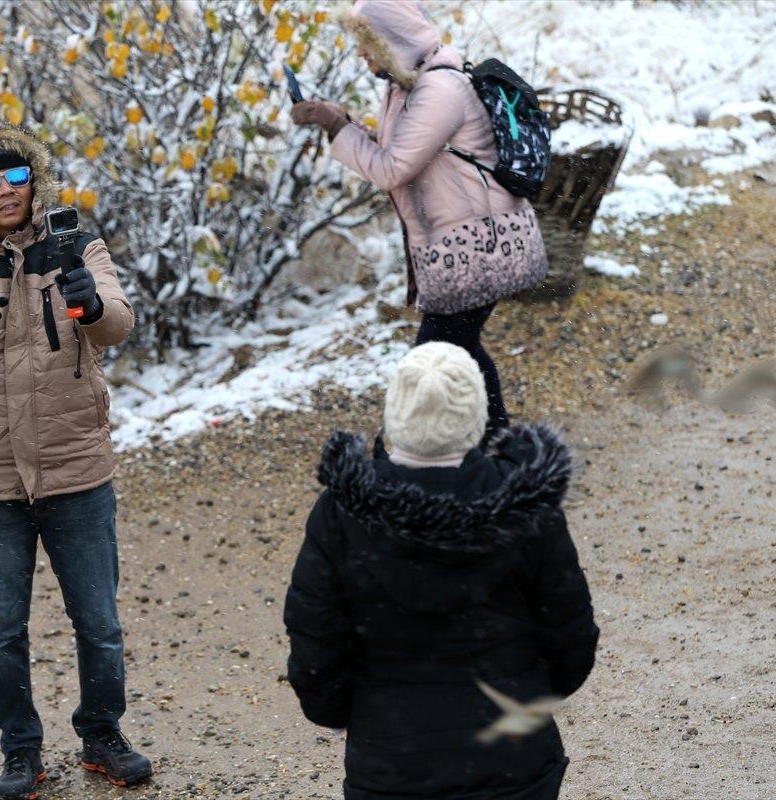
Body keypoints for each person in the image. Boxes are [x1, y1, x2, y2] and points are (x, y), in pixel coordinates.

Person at [0, 121, 152, 798]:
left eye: (17, 175)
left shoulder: (75, 245)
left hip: (76, 466)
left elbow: (119, 325)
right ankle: (20, 752)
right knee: (3, 630)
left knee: (98, 622)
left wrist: (91, 303)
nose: (6, 189)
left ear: (33, 181)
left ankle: (102, 735)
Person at [284, 342, 598, 799]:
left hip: (390, 767)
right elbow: (571, 637)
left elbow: (316, 646)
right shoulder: (527, 508)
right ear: (476, 415)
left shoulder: (342, 513)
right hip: (514, 761)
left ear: (396, 414)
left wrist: (356, 714)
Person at [291, 0, 549, 441]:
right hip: (462, 247)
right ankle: (496, 440)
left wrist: (336, 126)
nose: (361, 53)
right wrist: (343, 122)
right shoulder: (409, 84)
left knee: (433, 354)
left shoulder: (438, 89)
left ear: (392, 41)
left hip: (479, 247)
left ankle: (406, 454)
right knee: (459, 347)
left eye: (366, 43)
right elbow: (400, 151)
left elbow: (391, 169)